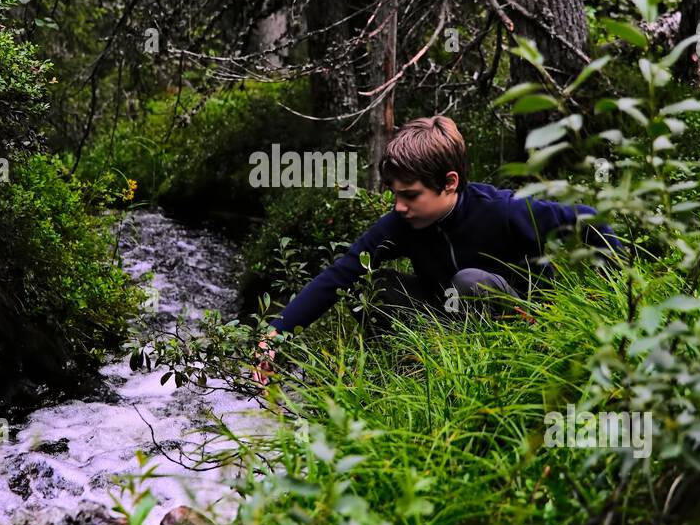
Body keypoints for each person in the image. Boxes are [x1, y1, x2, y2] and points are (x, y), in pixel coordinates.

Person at [252, 115, 621, 383]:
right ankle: (411, 369)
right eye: (395, 194)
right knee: (374, 286)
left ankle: (483, 372)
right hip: (444, 321)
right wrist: (275, 334)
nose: (398, 205)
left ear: (449, 183)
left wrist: (615, 292)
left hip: (518, 326)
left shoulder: (505, 210)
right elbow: (341, 273)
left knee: (470, 281)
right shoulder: (402, 223)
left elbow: (589, 219)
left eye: (410, 195)